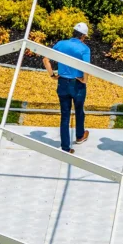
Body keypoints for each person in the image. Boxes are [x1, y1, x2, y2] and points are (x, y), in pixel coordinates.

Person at [42, 22, 91, 154]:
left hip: (62, 83)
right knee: (79, 110)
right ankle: (80, 135)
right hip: (77, 84)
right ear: (84, 36)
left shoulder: (60, 44)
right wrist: (84, 80)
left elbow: (46, 60)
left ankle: (65, 147)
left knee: (65, 115)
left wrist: (52, 75)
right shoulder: (84, 49)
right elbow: (86, 68)